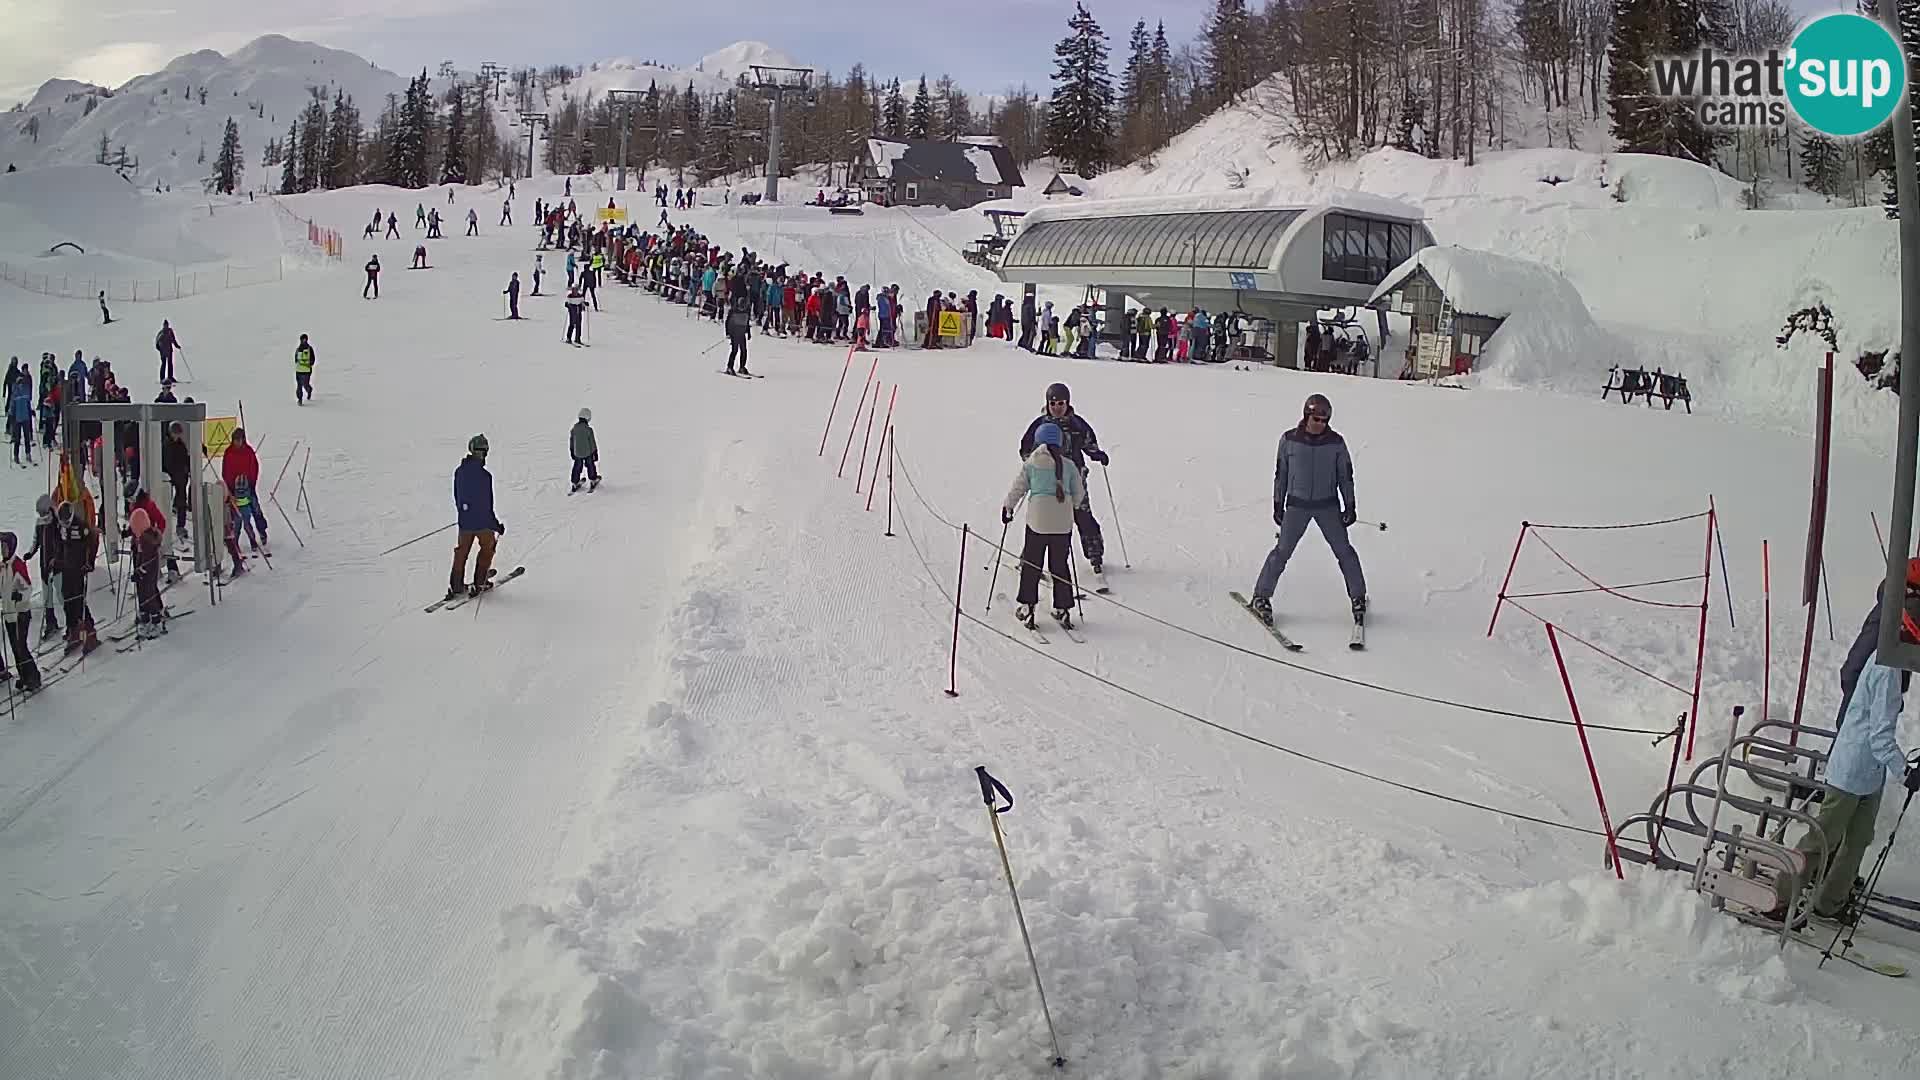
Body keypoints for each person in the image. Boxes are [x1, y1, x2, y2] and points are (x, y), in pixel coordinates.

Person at [1767, 591, 1917, 925]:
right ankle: (1781, 896)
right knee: (1823, 838)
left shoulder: (1895, 665)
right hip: (1851, 769)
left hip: (1871, 774)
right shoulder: (1886, 669)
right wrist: (1905, 772)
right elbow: (1879, 736)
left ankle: (1830, 902)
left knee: (1859, 840)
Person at [1247, 393, 1366, 629]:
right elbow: (1281, 473)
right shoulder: (1289, 440)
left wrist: (1350, 504)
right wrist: (1278, 503)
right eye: (1316, 419)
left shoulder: (1336, 443)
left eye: (1325, 420)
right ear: (1306, 415)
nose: (1320, 424)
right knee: (1282, 552)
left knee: (1344, 551)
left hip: (1327, 505)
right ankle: (1261, 596)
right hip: (1297, 505)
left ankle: (1358, 596)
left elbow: (1345, 476)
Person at [1002, 422, 1086, 630]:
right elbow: (1079, 494)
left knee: (1032, 563)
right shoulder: (1069, 465)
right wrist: (1071, 506)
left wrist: (1008, 507)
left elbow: (1018, 488)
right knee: (1059, 565)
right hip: (1062, 525)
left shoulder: (1032, 463)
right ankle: (1062, 608)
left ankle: (1027, 607)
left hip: (1037, 522)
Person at [1017, 383, 1108, 576]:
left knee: (1082, 515)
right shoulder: (1040, 425)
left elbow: (1088, 442)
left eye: (1061, 403)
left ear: (1068, 403)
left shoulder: (1077, 425)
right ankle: (1029, 559)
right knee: (1044, 517)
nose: (1057, 407)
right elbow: (1026, 449)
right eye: (1053, 403)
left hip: (1074, 478)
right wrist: (1036, 466)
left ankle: (1095, 554)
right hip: (1048, 481)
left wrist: (1097, 454)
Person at [449, 435, 504, 600]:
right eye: (482, 451)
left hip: (465, 521)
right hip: (482, 523)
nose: (482, 454)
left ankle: (456, 585)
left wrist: (464, 512)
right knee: (488, 547)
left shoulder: (460, 471)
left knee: (462, 551)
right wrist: (495, 525)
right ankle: (480, 581)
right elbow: (487, 505)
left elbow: (458, 497)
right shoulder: (484, 476)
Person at [55, 501, 99, 655]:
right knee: (67, 600)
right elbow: (60, 545)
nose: (65, 524)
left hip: (79, 569)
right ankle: (73, 629)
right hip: (67, 568)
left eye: (67, 521)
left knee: (79, 600)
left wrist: (89, 562)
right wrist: (57, 560)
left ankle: (90, 632)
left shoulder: (81, 526)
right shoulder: (61, 527)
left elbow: (92, 542)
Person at [0, 532, 42, 692]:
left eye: (5, 546)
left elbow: (27, 588)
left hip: (20, 614)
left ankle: (33, 677)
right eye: (1, 546)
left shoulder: (17, 565)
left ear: (11, 547)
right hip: (9, 614)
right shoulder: (2, 567)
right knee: (15, 648)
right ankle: (24, 676)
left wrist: (19, 596)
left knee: (21, 647)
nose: (2, 550)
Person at [221, 427, 269, 556]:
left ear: (243, 440)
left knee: (256, 510)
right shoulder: (229, 453)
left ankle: (262, 532)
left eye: (240, 440)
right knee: (237, 517)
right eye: (235, 440)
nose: (237, 442)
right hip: (234, 490)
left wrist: (252, 483)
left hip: (248, 487)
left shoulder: (248, 451)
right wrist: (229, 489)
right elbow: (225, 471)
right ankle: (234, 540)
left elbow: (254, 467)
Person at [23, 495, 60, 640]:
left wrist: (56, 558)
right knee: (47, 597)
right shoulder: (39, 524)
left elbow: (61, 544)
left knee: (61, 595)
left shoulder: (56, 523)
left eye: (42, 512)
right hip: (44, 564)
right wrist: (30, 553)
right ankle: (51, 622)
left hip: (56, 565)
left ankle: (74, 623)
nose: (40, 515)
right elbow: (36, 541)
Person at [129, 508, 167, 638]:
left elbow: (147, 561)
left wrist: (140, 572)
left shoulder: (147, 540)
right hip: (143, 571)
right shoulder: (141, 538)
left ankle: (156, 620)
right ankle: (145, 618)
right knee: (142, 594)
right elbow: (140, 556)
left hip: (149, 572)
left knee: (149, 594)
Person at [162, 422, 192, 538]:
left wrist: (187, 469)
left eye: (178, 434)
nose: (177, 436)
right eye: (175, 433)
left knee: (182, 502)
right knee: (165, 501)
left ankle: (180, 526)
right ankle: (164, 526)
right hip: (169, 477)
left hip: (180, 477)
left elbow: (185, 458)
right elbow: (165, 462)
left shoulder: (181, 445)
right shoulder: (166, 445)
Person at [8, 367, 34, 465]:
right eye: (19, 382)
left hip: (25, 417)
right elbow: (12, 405)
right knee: (17, 438)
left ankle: (28, 454)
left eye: (22, 382)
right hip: (18, 418)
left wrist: (31, 411)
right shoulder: (15, 392)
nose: (21, 384)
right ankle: (16, 455)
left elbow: (28, 403)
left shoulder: (26, 391)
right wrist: (11, 415)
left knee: (27, 437)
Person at [570, 408, 600, 492]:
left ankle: (574, 482)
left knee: (577, 467)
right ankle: (593, 480)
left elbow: (572, 441)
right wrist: (595, 452)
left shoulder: (574, 429)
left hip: (577, 453)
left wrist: (572, 451)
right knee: (590, 466)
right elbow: (592, 443)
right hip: (588, 453)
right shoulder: (588, 429)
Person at [724, 297, 753, 376]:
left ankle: (742, 367)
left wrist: (748, 333)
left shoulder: (746, 311)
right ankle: (729, 367)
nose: (742, 307)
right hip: (734, 333)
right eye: (741, 305)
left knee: (744, 350)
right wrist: (728, 333)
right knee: (735, 350)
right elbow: (727, 322)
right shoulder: (733, 311)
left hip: (742, 333)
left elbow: (747, 322)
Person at [155, 319, 181, 385]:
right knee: (163, 363)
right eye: (165, 325)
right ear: (163, 325)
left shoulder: (170, 331)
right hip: (163, 351)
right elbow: (157, 342)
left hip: (169, 350)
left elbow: (173, 339)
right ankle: (162, 378)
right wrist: (160, 349)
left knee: (170, 363)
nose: (166, 326)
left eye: (167, 325)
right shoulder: (161, 333)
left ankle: (170, 377)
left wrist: (176, 345)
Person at [294, 333, 316, 404]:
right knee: (299, 385)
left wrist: (309, 364)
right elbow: (296, 360)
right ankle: (300, 399)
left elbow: (313, 359)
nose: (304, 341)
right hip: (299, 371)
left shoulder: (310, 349)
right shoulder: (298, 349)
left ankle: (309, 390)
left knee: (305, 384)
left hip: (307, 371)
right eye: (302, 339)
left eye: (305, 339)